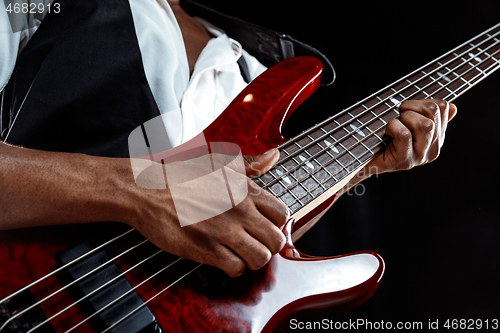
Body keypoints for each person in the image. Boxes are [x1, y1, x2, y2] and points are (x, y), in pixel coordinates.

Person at [0, 0, 457, 278]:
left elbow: (244, 223)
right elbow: (166, 192)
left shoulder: (254, 69)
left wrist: (367, 161)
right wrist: (136, 188)